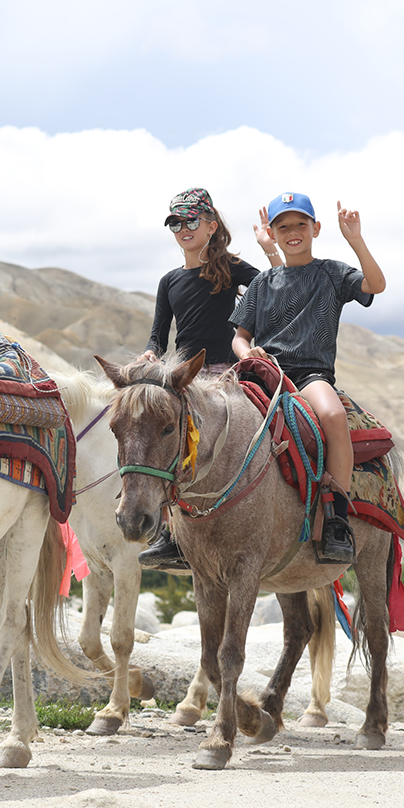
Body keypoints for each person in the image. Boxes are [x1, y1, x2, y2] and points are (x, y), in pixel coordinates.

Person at [229, 192, 386, 565]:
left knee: (332, 416)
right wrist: (246, 354)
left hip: (310, 373)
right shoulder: (262, 283)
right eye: (283, 226)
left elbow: (375, 285)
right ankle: (182, 522)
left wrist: (356, 239)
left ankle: (335, 519)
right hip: (264, 373)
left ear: (316, 228)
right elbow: (239, 336)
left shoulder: (331, 273)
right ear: (273, 233)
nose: (293, 232)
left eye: (301, 224)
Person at [137, 187, 283, 571]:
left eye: (191, 221)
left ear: (211, 226)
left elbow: (277, 287)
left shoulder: (231, 266)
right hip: (186, 376)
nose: (183, 228)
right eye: (175, 222)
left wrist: (269, 248)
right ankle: (172, 535)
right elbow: (159, 332)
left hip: (229, 372)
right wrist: (152, 351)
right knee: (156, 436)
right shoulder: (169, 281)